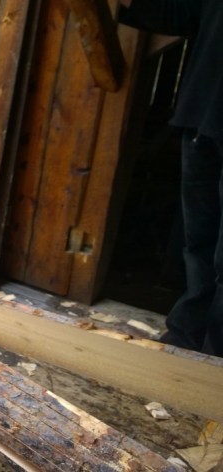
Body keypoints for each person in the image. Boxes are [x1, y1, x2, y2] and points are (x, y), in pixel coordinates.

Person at [119, 0, 223, 357]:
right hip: (203, 118)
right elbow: (180, 13)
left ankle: (215, 353)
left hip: (206, 119)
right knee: (198, 242)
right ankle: (186, 334)